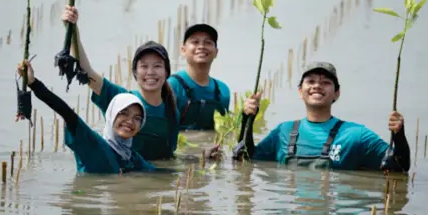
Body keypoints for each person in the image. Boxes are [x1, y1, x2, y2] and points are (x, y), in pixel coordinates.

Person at [232, 62, 411, 172]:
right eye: (310, 81)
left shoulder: (356, 135)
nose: (317, 86)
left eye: (326, 83)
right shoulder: (283, 132)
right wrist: (248, 119)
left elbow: (399, 167)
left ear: (337, 94)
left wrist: (399, 135)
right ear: (300, 92)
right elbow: (245, 160)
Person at [61, 6, 180, 161]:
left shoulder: (172, 113)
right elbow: (87, 72)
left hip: (152, 178)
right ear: (135, 73)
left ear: (166, 73)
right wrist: (72, 31)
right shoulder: (120, 99)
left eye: (157, 66)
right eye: (144, 66)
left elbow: (170, 158)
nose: (150, 72)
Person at [17, 60, 160, 174]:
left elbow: (159, 173)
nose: (130, 121)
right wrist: (33, 84)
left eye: (137, 118)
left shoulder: (132, 158)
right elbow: (67, 113)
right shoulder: (94, 145)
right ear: (111, 116)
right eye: (123, 113)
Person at [168, 23, 237, 131]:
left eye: (208, 42)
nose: (201, 47)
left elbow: (222, 133)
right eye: (195, 42)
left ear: (216, 52)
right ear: (183, 50)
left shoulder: (222, 90)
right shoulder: (172, 86)